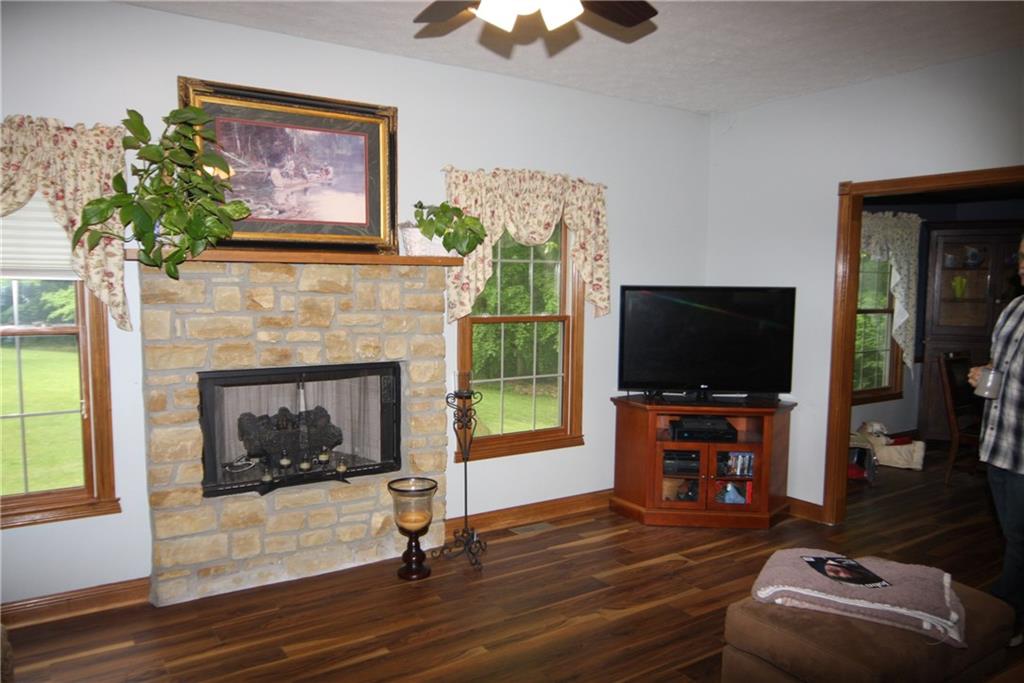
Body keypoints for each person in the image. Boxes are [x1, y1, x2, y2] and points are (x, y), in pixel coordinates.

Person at [969, 233, 1024, 645]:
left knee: (1021, 538)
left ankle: (1008, 615)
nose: (1022, 265)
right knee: (1012, 534)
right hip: (999, 443)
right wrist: (984, 372)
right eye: (1021, 256)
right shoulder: (1014, 309)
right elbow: (999, 363)